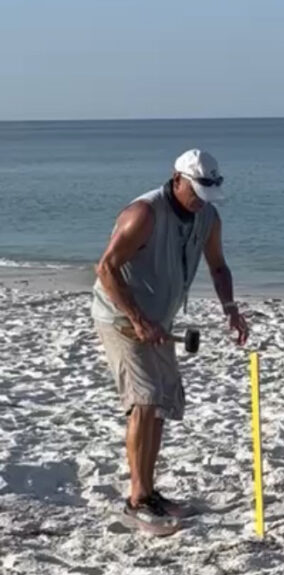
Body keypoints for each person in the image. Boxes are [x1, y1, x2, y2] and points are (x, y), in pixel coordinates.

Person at [92, 148, 249, 534]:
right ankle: (136, 500)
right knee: (144, 400)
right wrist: (138, 319)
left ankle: (149, 492)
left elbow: (217, 264)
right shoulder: (143, 214)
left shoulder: (208, 216)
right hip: (120, 317)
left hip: (160, 321)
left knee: (161, 400)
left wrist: (230, 308)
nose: (199, 202)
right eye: (194, 192)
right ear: (176, 179)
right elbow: (107, 268)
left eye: (206, 195)